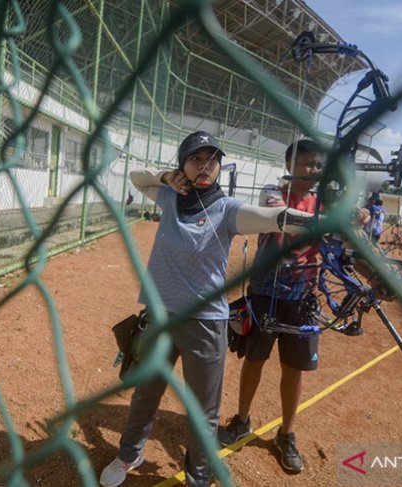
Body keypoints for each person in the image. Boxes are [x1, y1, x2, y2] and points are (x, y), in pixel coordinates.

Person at [99, 131, 315, 487]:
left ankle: (198, 475)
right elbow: (137, 178)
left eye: (212, 159)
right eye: (196, 159)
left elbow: (274, 218)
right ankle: (130, 453)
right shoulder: (169, 198)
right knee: (145, 391)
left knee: (204, 408)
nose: (205, 166)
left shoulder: (227, 209)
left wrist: (325, 219)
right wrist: (166, 177)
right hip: (160, 314)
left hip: (205, 323)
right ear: (183, 162)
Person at [217, 139, 323, 473]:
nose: (312, 170)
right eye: (305, 163)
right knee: (255, 359)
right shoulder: (271, 193)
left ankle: (286, 434)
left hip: (302, 299)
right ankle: (242, 420)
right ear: (290, 165)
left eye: (317, 165)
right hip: (266, 293)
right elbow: (284, 219)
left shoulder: (322, 202)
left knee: (294, 370)